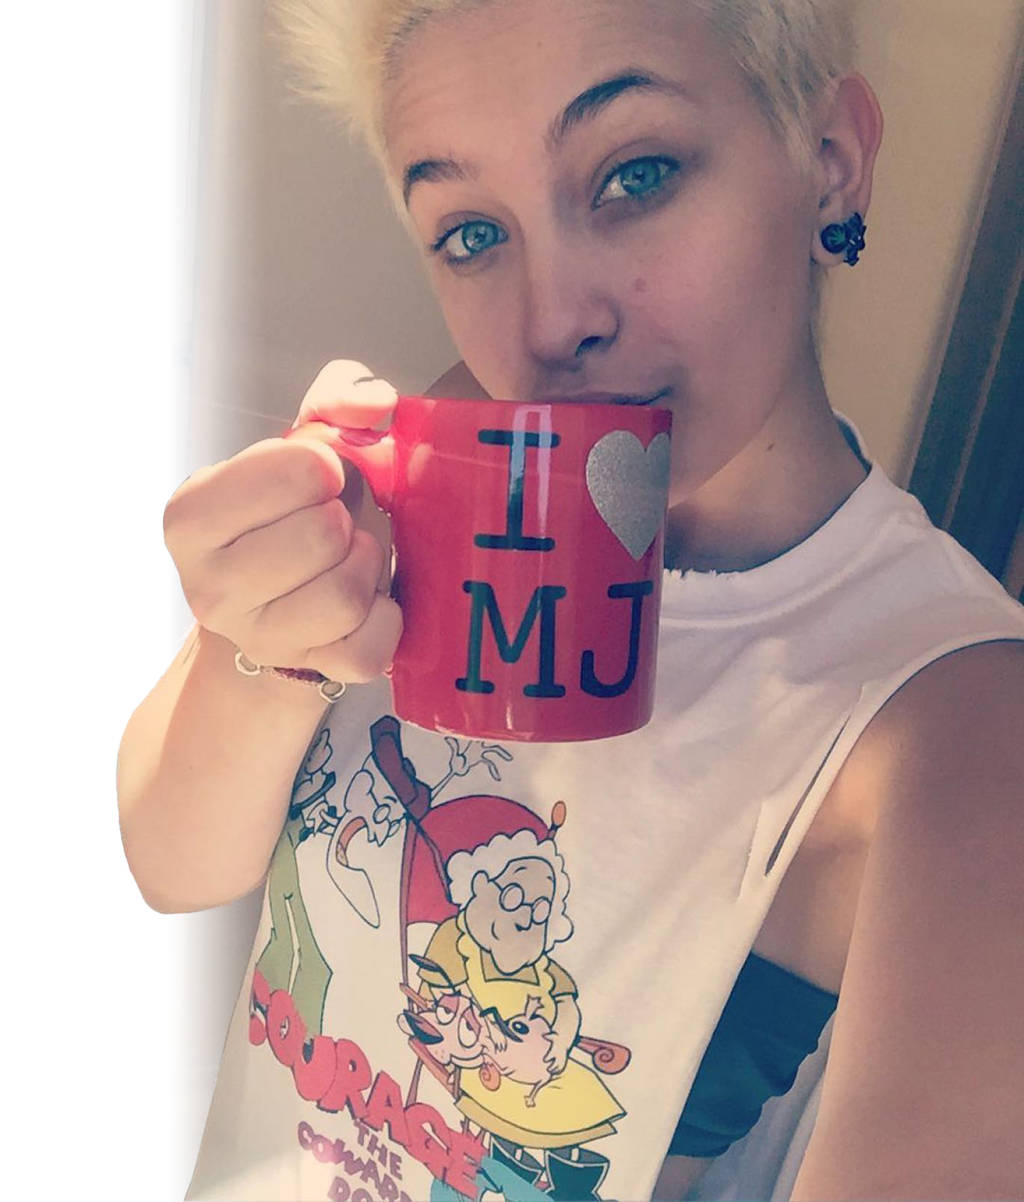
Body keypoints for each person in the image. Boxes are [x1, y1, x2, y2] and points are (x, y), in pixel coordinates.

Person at [116, 1, 1024, 1198]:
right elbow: (173, 865)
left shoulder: (957, 724)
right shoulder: (421, 476)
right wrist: (264, 647)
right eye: (471, 232)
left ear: (830, 162)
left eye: (635, 174)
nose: (550, 325)